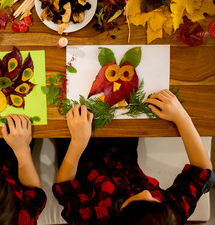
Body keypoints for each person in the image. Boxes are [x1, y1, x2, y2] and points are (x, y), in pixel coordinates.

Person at [52, 89, 215, 225]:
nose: (147, 193)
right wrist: (182, 118)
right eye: (155, 200)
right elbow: (202, 170)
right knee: (122, 93)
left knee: (61, 103)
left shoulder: (90, 219)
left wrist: (78, 143)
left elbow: (64, 185)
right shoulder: (167, 217)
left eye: (137, 200)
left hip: (78, 158)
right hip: (124, 151)